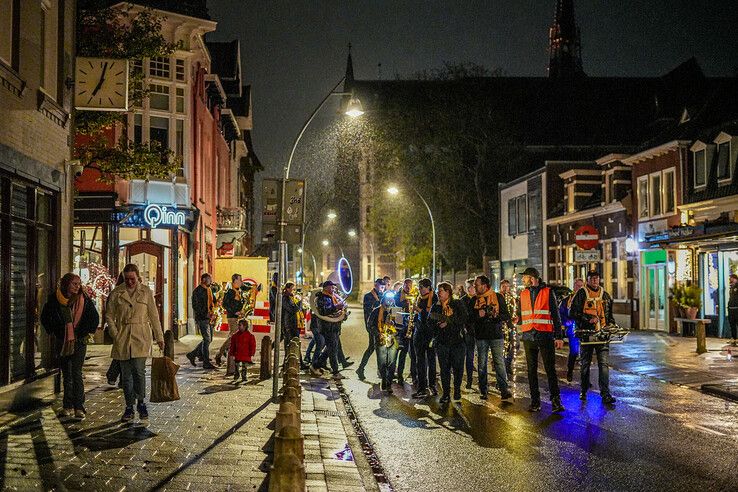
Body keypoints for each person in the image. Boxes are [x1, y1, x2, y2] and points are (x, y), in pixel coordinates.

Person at [106, 263, 165, 422]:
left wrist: (159, 337)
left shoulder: (146, 292)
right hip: (123, 337)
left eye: (132, 279)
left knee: (139, 371)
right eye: (127, 279)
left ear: (138, 277)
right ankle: (129, 407)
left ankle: (141, 402)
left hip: (141, 336)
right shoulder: (117, 293)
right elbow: (109, 315)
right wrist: (115, 333)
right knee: (126, 376)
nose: (130, 282)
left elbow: (154, 316)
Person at [40, 273, 100, 419]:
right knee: (66, 373)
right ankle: (67, 406)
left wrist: (86, 332)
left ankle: (79, 407)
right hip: (63, 341)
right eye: (74, 283)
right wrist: (54, 332)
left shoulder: (84, 299)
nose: (77, 286)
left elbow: (94, 318)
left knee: (76, 373)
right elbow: (45, 317)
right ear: (66, 284)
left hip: (79, 341)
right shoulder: (55, 299)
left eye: (78, 283)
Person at [518, 267, 564, 413]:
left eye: (524, 277)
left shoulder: (548, 292)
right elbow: (522, 314)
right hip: (528, 336)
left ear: (532, 278)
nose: (522, 280)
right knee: (531, 371)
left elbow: (556, 316)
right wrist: (517, 319)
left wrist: (559, 336)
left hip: (545, 335)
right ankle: (535, 401)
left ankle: (556, 401)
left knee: (550, 369)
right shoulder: (523, 293)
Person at [570, 270, 617, 405]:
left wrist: (612, 325)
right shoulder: (581, 294)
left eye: (597, 278)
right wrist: (588, 319)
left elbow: (609, 315)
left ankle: (605, 394)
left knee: (604, 365)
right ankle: (584, 390)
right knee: (585, 364)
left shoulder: (605, 295)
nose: (595, 281)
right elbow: (572, 312)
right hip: (587, 335)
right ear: (588, 280)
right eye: (592, 278)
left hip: (602, 335)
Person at [471, 275, 512, 401]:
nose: (475, 287)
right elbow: (469, 318)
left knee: (499, 363)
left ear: (484, 285)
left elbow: (506, 315)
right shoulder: (474, 300)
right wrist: (479, 314)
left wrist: (496, 315)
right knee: (482, 364)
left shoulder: (498, 297)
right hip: (481, 336)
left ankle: (504, 390)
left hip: (496, 335)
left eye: (476, 284)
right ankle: (483, 390)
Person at [431, 282, 468, 403]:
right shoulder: (436, 306)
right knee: (444, 369)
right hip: (442, 343)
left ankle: (457, 391)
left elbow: (464, 318)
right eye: (438, 290)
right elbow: (429, 322)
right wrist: (437, 325)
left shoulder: (457, 304)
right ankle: (446, 393)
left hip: (457, 342)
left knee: (457, 368)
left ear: (448, 292)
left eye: (441, 290)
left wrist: (448, 320)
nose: (438, 293)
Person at [310, 280, 345, 379]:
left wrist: (342, 312)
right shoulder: (322, 298)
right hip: (327, 327)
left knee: (330, 349)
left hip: (334, 327)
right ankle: (335, 372)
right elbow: (323, 311)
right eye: (331, 287)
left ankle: (315, 365)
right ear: (325, 288)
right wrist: (336, 307)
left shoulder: (332, 297)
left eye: (333, 287)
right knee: (332, 350)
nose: (333, 289)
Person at [412, 278, 438, 398]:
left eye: (422, 287)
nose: (420, 289)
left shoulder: (434, 298)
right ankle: (422, 387)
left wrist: (418, 310)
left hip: (429, 333)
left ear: (428, 287)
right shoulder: (419, 298)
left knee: (431, 360)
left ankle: (432, 384)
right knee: (420, 361)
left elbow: (431, 316)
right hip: (419, 332)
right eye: (419, 287)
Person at [368, 293, 399, 393]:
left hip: (392, 340)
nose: (389, 301)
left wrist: (395, 325)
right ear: (383, 300)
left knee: (392, 363)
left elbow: (401, 324)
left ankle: (389, 383)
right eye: (387, 299)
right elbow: (370, 325)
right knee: (382, 363)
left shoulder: (396, 311)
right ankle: (384, 379)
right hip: (380, 339)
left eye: (391, 299)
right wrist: (378, 333)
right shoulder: (376, 311)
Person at [215, 273, 247, 368]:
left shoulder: (238, 291)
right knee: (234, 336)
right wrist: (235, 312)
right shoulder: (230, 292)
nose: (241, 282)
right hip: (232, 317)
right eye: (240, 280)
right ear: (235, 281)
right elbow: (225, 304)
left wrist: (241, 310)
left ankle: (229, 354)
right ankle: (220, 354)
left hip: (237, 317)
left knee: (236, 336)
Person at [357, 278, 386, 380]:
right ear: (375, 285)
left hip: (381, 326)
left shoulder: (383, 295)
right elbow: (369, 312)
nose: (382, 289)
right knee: (376, 348)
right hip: (372, 327)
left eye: (383, 287)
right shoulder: (368, 296)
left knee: (372, 348)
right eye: (381, 287)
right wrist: (379, 303)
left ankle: (361, 369)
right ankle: (381, 373)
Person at [187, 273, 217, 369]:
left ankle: (194, 354)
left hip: (210, 317)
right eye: (209, 279)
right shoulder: (198, 291)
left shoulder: (209, 290)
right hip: (202, 318)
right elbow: (196, 306)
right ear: (204, 280)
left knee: (209, 339)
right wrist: (204, 313)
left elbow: (213, 301)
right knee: (207, 339)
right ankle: (205, 361)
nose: (211, 281)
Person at [559, 278, 584, 382]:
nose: (579, 288)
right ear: (574, 287)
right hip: (573, 329)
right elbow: (561, 313)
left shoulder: (587, 300)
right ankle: (570, 371)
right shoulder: (567, 300)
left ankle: (585, 378)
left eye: (581, 286)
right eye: (578, 286)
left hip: (584, 329)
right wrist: (566, 322)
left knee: (585, 354)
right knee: (574, 352)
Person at [395, 278, 417, 385]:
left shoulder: (415, 295)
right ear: (403, 285)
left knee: (413, 353)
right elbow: (396, 305)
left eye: (410, 286)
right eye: (406, 285)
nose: (408, 288)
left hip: (412, 326)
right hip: (402, 328)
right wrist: (406, 302)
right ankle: (399, 375)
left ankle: (413, 375)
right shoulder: (398, 295)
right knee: (402, 353)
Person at [500, 279, 519, 379]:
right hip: (502, 327)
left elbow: (516, 310)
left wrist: (517, 317)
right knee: (505, 348)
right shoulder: (499, 297)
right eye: (504, 287)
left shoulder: (512, 298)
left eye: (507, 287)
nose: (506, 289)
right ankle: (503, 368)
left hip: (512, 326)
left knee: (516, 345)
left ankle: (507, 364)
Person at [281, 282, 303, 366]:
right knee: (289, 344)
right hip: (289, 324)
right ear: (287, 289)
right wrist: (299, 303)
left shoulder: (291, 297)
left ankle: (299, 362)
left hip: (294, 323)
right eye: (292, 289)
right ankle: (286, 363)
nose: (293, 291)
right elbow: (292, 309)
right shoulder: (285, 298)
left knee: (296, 343)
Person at [461, 279, 476, 389]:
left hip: (479, 331)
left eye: (471, 287)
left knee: (481, 358)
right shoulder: (463, 300)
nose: (470, 289)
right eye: (468, 287)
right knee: (469, 357)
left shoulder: (480, 299)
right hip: (468, 332)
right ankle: (469, 380)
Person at [728, 274, 738, 346]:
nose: (730, 280)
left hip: (737, 308)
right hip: (731, 308)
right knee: (732, 324)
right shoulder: (731, 287)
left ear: (734, 278)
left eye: (730, 278)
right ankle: (734, 338)